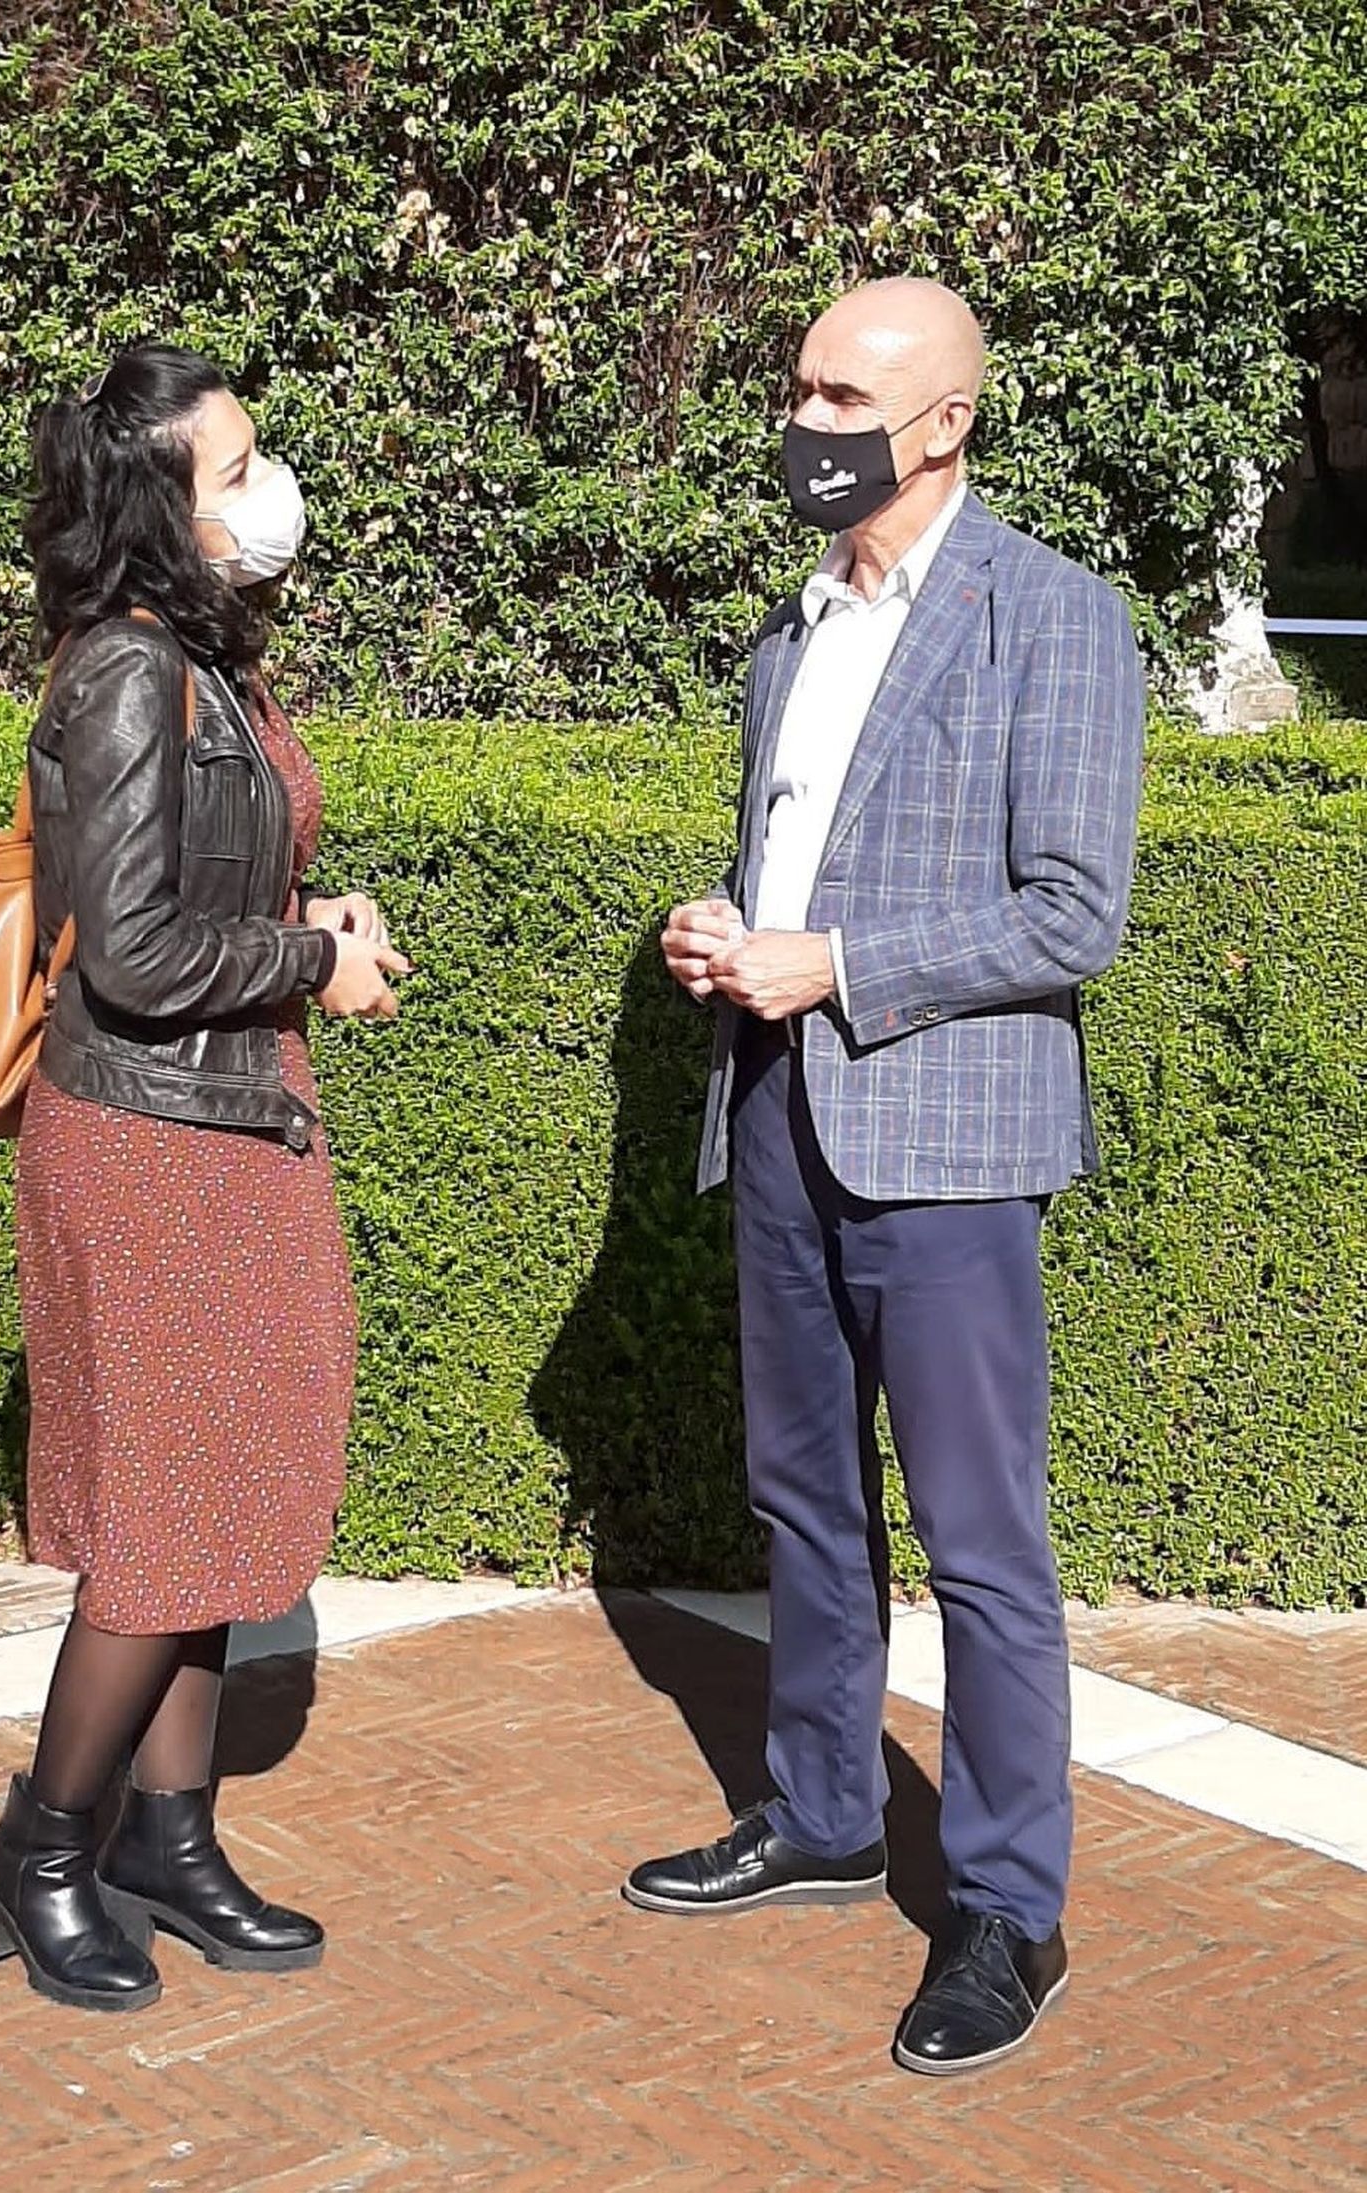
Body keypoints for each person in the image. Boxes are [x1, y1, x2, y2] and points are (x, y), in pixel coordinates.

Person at [626, 279, 1144, 2076]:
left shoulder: (1057, 619)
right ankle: (825, 1812)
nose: (806, 415)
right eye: (798, 383)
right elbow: (807, 861)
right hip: (776, 1114)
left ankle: (1011, 1908)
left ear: (945, 425)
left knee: (985, 1545)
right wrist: (735, 933)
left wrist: (837, 962)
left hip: (950, 1148)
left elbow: (1077, 909)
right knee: (803, 1501)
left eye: (844, 391)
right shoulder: (793, 631)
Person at [0, 344, 409, 2012]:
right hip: (153, 1141)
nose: (263, 489)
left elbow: (209, 882)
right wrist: (310, 960)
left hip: (229, 1122)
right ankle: (44, 1846)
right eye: (232, 469)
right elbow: (137, 952)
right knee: (164, 1516)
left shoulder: (206, 659)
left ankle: (171, 1838)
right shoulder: (126, 676)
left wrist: (319, 922)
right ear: (157, 507)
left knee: (220, 1493)